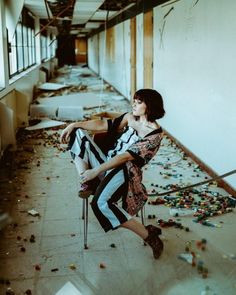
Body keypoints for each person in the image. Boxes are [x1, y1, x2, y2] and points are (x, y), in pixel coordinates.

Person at [60, 88, 165, 259]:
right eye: (134, 101)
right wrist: (75, 124)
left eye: (139, 102)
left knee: (100, 204)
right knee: (78, 134)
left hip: (125, 172)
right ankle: (85, 181)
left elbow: (125, 157)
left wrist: (96, 171)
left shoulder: (155, 135)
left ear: (150, 106)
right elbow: (104, 125)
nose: (134, 105)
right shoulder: (130, 118)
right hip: (106, 162)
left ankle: (149, 236)